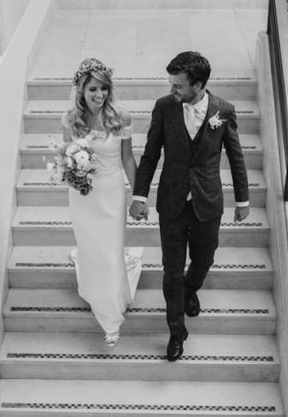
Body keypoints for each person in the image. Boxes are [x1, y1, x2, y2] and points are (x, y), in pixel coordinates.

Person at [129, 51, 250, 361]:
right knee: (171, 270)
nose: (173, 91)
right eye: (171, 84)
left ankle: (190, 288)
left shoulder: (223, 111)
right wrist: (139, 197)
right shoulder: (164, 108)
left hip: (207, 202)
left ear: (198, 85)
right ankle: (176, 330)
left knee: (204, 259)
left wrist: (242, 199)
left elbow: (236, 157)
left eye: (179, 86)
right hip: (171, 202)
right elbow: (151, 154)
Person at [62, 57, 141, 346]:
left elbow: (128, 158)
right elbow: (66, 156)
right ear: (81, 90)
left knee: (109, 252)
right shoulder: (71, 119)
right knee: (90, 248)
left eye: (104, 89)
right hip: (82, 196)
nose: (100, 95)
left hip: (110, 191)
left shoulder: (122, 117)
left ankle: (110, 318)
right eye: (93, 89)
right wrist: (74, 176)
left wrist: (139, 194)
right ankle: (95, 291)